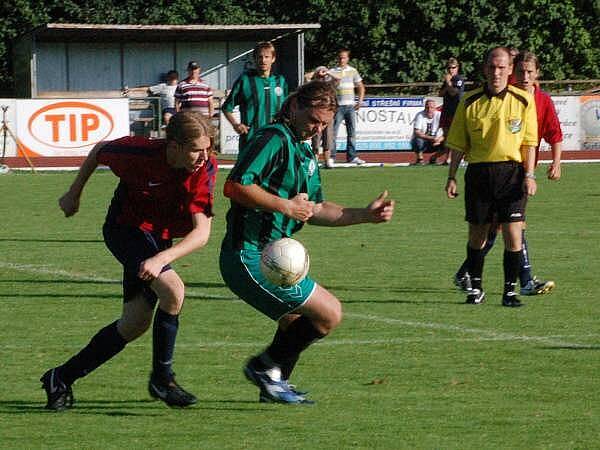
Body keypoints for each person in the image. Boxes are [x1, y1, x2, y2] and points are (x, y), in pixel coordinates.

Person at [219, 80, 394, 404]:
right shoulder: (272, 138)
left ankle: (274, 384)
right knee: (329, 314)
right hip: (248, 254)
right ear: (296, 106)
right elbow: (234, 187)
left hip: (270, 255)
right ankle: (263, 367)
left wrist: (365, 215)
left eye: (324, 124)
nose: (317, 129)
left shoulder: (304, 152)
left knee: (295, 321)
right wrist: (284, 205)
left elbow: (316, 209)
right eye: (314, 120)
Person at [40, 111, 218, 411]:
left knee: (134, 324)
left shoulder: (204, 168)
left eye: (208, 148)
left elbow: (202, 233)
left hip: (157, 239)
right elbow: (100, 150)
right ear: (172, 145)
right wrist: (74, 193)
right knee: (173, 290)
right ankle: (163, 378)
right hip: (124, 229)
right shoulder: (140, 152)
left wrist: (162, 256)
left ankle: (60, 377)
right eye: (196, 149)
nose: (204, 156)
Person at [453, 50, 562, 296]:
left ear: (537, 74)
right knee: (503, 228)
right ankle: (520, 281)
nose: (524, 76)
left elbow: (554, 134)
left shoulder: (541, 101)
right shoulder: (505, 96)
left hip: (519, 173)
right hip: (495, 172)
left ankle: (470, 275)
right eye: (521, 71)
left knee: (508, 228)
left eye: (529, 72)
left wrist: (553, 163)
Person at [445, 46, 538, 307]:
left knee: (513, 234)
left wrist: (530, 175)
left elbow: (529, 143)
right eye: (492, 67)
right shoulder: (469, 101)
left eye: (502, 67)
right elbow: (458, 144)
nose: (496, 72)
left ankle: (509, 292)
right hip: (479, 174)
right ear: (485, 69)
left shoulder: (523, 101)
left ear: (510, 70)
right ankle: (475, 289)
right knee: (477, 235)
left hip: (512, 174)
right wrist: (451, 177)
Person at [222, 41, 288, 152]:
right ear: (254, 59)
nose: (263, 60)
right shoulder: (245, 80)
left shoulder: (280, 81)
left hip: (276, 139)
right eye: (260, 57)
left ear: (273, 59)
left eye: (267, 57)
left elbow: (288, 110)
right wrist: (236, 125)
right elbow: (226, 108)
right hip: (251, 139)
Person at [328, 48, 366, 168]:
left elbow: (360, 86)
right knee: (333, 133)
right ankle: (332, 157)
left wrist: (360, 100)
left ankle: (352, 156)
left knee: (352, 132)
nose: (341, 59)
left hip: (350, 106)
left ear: (347, 58)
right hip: (338, 106)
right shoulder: (333, 71)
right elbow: (328, 87)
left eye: (344, 57)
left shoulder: (353, 71)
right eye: (340, 57)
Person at [435, 57, 465, 165]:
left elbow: (453, 92)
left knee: (454, 136)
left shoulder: (459, 79)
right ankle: (446, 158)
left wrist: (448, 82)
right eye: (449, 68)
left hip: (455, 110)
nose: (451, 70)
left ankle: (453, 158)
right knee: (447, 136)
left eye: (453, 67)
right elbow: (440, 94)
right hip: (446, 110)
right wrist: (447, 84)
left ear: (457, 68)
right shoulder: (448, 80)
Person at [307, 66, 339, 161]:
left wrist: (327, 72)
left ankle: (327, 162)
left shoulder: (329, 85)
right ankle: (315, 162)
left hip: (328, 116)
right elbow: (306, 77)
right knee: (316, 140)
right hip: (316, 116)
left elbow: (338, 79)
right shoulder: (313, 85)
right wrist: (317, 72)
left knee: (328, 140)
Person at [410, 99, 444, 165]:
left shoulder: (440, 115)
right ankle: (420, 159)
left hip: (437, 141)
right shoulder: (420, 115)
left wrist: (439, 139)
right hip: (424, 141)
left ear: (435, 108)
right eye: (427, 107)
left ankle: (434, 158)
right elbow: (417, 132)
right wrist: (431, 138)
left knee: (449, 142)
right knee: (417, 140)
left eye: (431, 107)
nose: (429, 109)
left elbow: (447, 131)